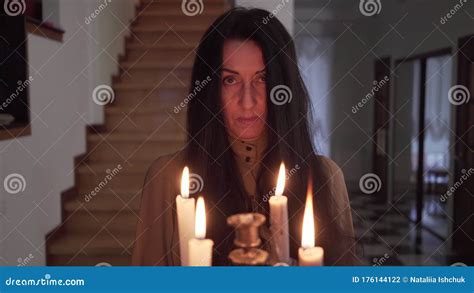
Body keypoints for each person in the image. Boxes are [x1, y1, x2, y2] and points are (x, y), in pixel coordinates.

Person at [132, 7, 358, 266]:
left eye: (262, 78)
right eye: (230, 80)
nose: (247, 101)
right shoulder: (167, 179)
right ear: (209, 91)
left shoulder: (327, 177)